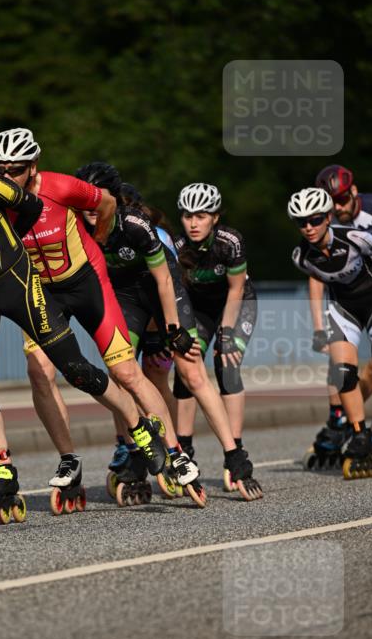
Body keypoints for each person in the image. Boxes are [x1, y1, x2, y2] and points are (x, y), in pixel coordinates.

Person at [0, 123, 162, 525]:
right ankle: (4, 470)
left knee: (76, 370)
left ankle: (138, 425)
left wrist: (14, 250)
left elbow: (30, 209)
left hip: (18, 285)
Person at [0, 128, 200, 501]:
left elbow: (109, 203)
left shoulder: (61, 187)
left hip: (87, 284)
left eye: (15, 169)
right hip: (42, 293)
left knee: (125, 372)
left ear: (33, 166)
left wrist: (98, 239)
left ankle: (176, 452)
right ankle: (69, 459)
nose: (7, 177)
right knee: (39, 372)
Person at [75, 163, 263, 502]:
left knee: (192, 373)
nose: (90, 206)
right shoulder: (78, 227)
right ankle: (134, 452)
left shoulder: (135, 224)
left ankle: (236, 457)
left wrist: (173, 331)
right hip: (126, 297)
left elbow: (163, 280)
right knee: (120, 373)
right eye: (83, 199)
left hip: (163, 290)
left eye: (96, 199)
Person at [287, 187, 372, 479]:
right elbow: (317, 282)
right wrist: (319, 328)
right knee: (343, 373)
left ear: (328, 217)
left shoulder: (356, 237)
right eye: (301, 222)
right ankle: (359, 434)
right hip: (343, 307)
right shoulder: (301, 256)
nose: (309, 227)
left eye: (315, 219)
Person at [171, 183, 258, 492]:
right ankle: (184, 448)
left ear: (215, 217)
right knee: (187, 365)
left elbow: (236, 289)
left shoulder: (230, 242)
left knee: (227, 363)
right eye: (188, 216)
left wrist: (227, 333)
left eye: (201, 216)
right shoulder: (177, 246)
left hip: (237, 303)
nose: (193, 223)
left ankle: (235, 450)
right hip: (199, 309)